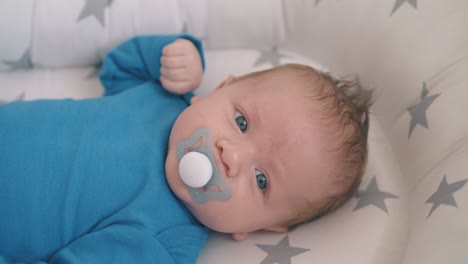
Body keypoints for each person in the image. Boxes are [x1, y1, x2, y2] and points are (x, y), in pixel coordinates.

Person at [0, 34, 371, 263]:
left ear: (261, 228)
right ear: (221, 87)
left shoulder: (160, 242)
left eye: (261, 181)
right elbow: (118, 68)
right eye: (241, 122)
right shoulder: (165, 97)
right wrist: (178, 56)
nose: (232, 156)